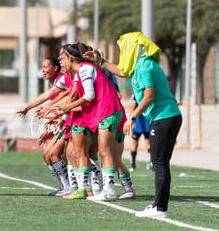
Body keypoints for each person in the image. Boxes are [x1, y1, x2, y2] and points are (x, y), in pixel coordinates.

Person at [84, 32, 182, 218]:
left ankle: (160, 209)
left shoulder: (145, 66)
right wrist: (101, 60)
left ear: (134, 48)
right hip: (166, 116)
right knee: (161, 163)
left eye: (124, 47)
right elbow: (122, 70)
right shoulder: (140, 65)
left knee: (159, 163)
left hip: (164, 117)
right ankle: (159, 206)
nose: (123, 51)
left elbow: (149, 96)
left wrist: (132, 117)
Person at [58, 43, 124, 201]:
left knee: (104, 151)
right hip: (104, 112)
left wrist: (67, 107)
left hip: (108, 111)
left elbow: (89, 95)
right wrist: (64, 115)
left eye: (62, 58)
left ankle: (109, 190)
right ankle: (94, 189)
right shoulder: (82, 71)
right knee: (101, 152)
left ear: (70, 58)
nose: (61, 61)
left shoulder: (84, 68)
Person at [17, 56, 75, 196]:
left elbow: (68, 99)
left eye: (45, 67)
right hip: (60, 120)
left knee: (60, 154)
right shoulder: (55, 82)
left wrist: (49, 110)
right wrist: (29, 108)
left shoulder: (66, 78)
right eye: (42, 67)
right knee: (49, 155)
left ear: (56, 68)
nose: (43, 70)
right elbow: (49, 96)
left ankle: (75, 187)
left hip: (69, 120)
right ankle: (65, 187)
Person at [129, 96, 151, 172]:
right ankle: (132, 164)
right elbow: (133, 106)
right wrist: (131, 120)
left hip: (145, 121)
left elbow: (133, 106)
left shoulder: (140, 91)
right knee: (135, 143)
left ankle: (150, 163)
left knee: (147, 143)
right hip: (138, 122)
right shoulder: (137, 93)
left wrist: (131, 119)